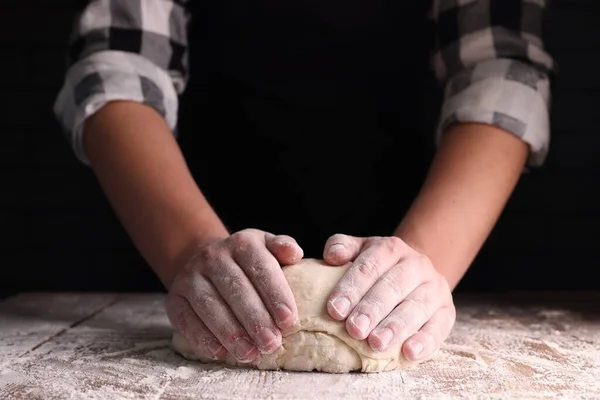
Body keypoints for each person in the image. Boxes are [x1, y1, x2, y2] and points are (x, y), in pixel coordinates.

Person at [54, 0, 553, 365]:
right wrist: (189, 248)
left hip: (425, 201)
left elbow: (500, 68)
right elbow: (118, 61)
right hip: (187, 212)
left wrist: (422, 271)